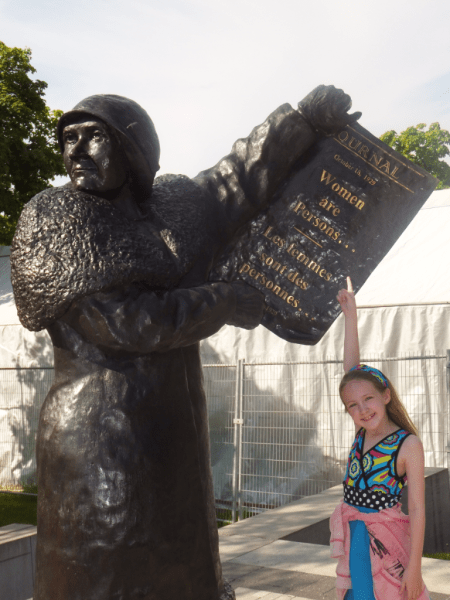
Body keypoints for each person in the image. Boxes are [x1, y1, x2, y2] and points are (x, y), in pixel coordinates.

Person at [11, 87, 360, 600]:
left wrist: (304, 119)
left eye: (94, 137)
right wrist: (223, 302)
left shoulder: (173, 205)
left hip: (173, 429)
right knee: (108, 575)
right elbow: (125, 324)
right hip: (99, 440)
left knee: (183, 566)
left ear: (132, 149)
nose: (76, 151)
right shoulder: (55, 217)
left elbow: (239, 175)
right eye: (68, 139)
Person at [330, 278, 430, 600]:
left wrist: (414, 568)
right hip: (355, 535)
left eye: (369, 399)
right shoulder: (362, 433)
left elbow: (416, 508)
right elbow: (352, 374)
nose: (362, 409)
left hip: (386, 543)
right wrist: (351, 318)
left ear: (386, 395)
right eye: (353, 406)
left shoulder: (408, 445)